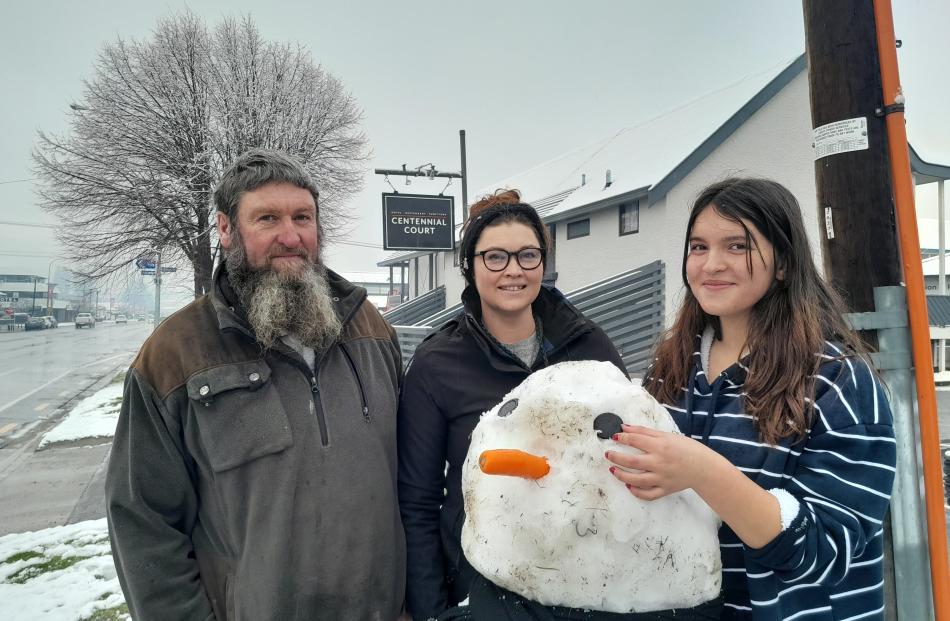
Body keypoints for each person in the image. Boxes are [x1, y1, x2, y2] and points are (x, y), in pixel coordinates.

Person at [105, 149, 406, 621]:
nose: (291, 236)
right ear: (226, 229)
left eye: (303, 217)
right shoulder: (174, 355)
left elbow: (410, 481)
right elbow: (144, 521)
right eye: (267, 218)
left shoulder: (369, 328)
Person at [606, 178, 897, 620]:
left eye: (737, 246)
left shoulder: (838, 381)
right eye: (698, 247)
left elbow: (824, 553)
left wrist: (703, 472)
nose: (711, 265)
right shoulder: (672, 369)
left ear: (782, 263)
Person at [398, 189, 629, 620]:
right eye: (495, 257)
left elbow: (629, 448)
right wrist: (430, 611)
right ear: (470, 266)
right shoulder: (438, 363)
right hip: (482, 588)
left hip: (583, 583)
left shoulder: (588, 345)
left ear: (543, 262)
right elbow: (418, 502)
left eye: (527, 255)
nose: (513, 271)